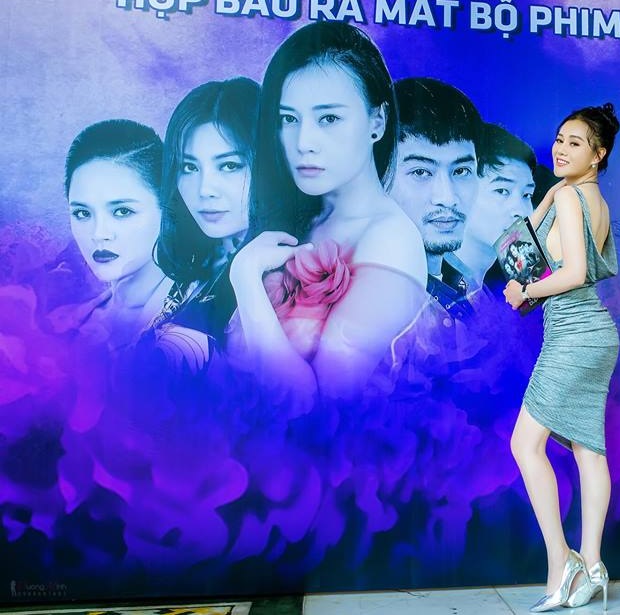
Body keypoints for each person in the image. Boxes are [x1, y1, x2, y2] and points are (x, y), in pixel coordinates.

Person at [229, 21, 427, 399]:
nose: (304, 142)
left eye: (329, 118)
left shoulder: (390, 240)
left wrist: (245, 277)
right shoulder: (304, 215)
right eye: (289, 119)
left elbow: (316, 405)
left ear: (377, 121)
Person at [503, 103, 620, 612]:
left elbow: (571, 273)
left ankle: (561, 561)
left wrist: (525, 290)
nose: (561, 148)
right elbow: (519, 243)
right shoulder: (586, 198)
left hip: (575, 334)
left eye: (575, 143)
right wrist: (551, 192)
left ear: (598, 155)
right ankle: (592, 566)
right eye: (559, 139)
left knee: (525, 445)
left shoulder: (573, 196)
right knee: (588, 450)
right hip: (593, 333)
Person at [152, 77, 260, 371]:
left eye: (229, 166)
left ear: (267, 166)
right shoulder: (201, 258)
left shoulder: (288, 275)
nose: (204, 190)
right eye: (189, 167)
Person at [60, 119, 172, 350]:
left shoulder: (203, 321)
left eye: (122, 211)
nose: (99, 234)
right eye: (82, 213)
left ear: (167, 208)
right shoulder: (65, 323)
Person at [389, 77, 482, 321]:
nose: (447, 198)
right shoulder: (361, 298)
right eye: (421, 172)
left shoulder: (471, 287)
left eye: (461, 171)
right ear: (379, 178)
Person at [455, 123, 536, 290]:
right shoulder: (427, 285)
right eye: (502, 191)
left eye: (527, 195)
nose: (521, 211)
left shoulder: (485, 293)